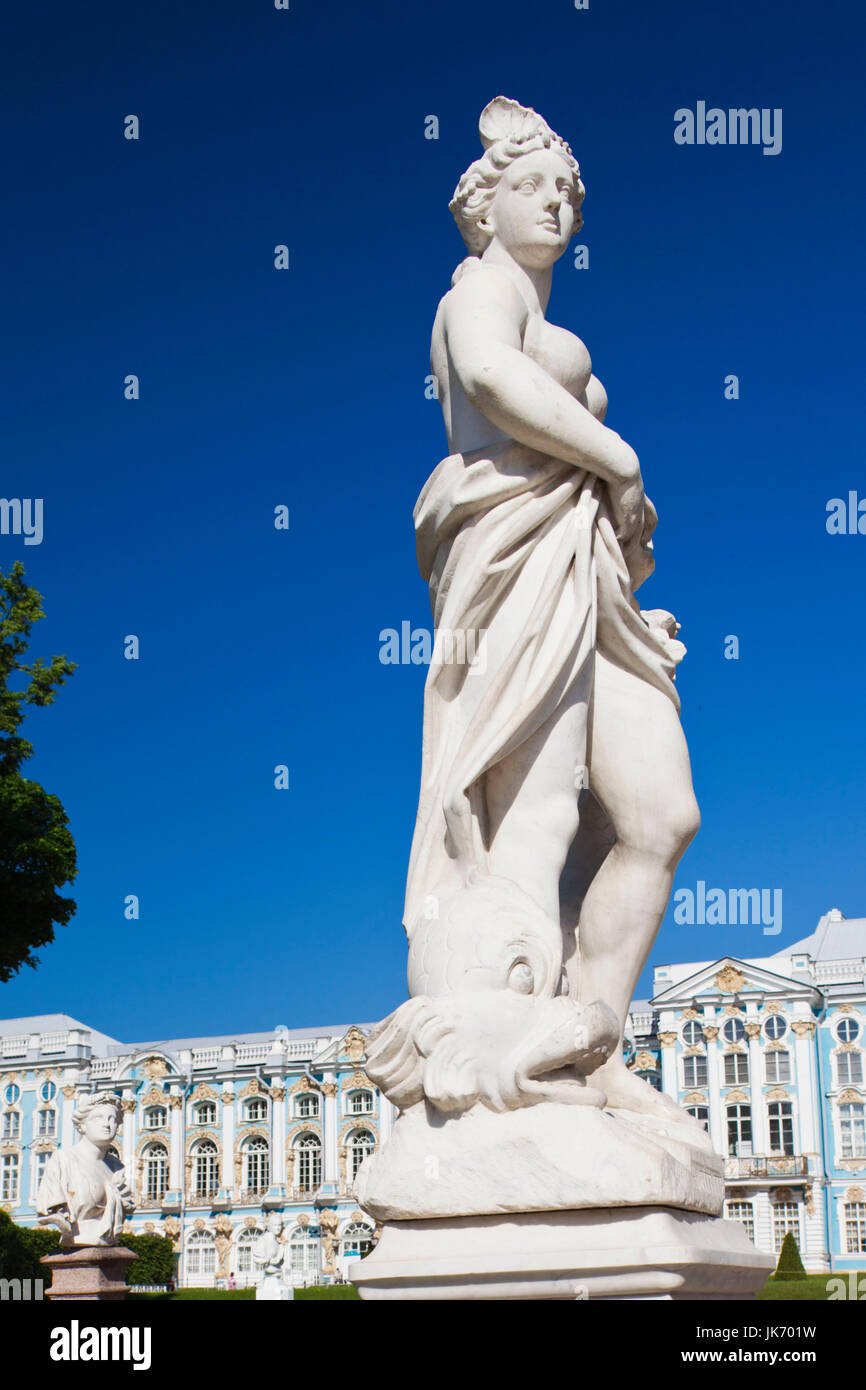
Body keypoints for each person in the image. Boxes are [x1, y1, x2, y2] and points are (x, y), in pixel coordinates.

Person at [405, 97, 701, 1126]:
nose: (560, 209)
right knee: (532, 812)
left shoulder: (536, 308)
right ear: (486, 204)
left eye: (570, 195)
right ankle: (520, 1062)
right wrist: (613, 455)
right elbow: (488, 374)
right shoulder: (477, 292)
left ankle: (589, 1039)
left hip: (585, 572)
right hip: (513, 556)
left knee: (660, 814)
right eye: (538, 189)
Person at [36, 1092, 134, 1245]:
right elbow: (48, 1206)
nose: (107, 1124)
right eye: (98, 1118)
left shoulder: (116, 1167)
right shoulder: (63, 1160)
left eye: (113, 1119)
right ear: (82, 1125)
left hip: (106, 1243)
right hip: (80, 1236)